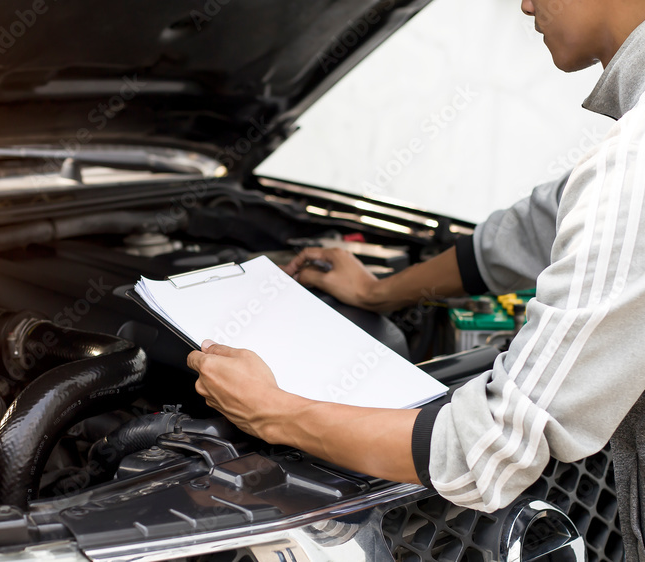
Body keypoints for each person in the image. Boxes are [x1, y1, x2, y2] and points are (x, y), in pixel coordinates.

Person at [187, 0, 645, 558]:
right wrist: (378, 292)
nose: (524, 3)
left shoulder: (634, 164)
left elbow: (489, 448)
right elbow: (532, 229)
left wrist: (274, 412)